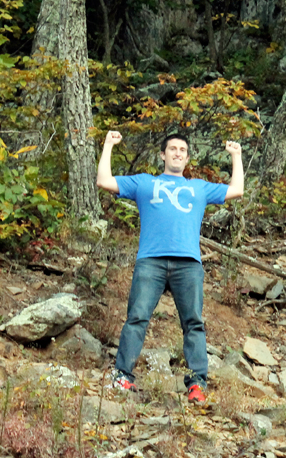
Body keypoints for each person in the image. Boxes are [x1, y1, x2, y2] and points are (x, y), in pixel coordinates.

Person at [96, 130, 243, 402]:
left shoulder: (199, 187)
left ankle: (197, 383)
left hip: (188, 263)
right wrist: (107, 146)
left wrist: (236, 156)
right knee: (137, 317)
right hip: (150, 261)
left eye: (182, 150)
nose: (177, 153)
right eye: (172, 149)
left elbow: (237, 190)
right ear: (162, 155)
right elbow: (104, 181)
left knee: (193, 323)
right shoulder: (144, 183)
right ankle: (122, 376)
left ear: (187, 158)